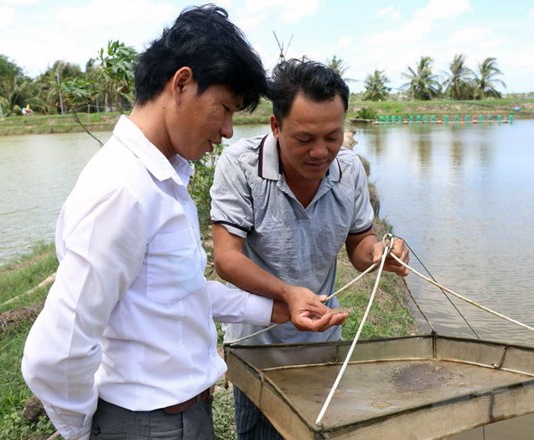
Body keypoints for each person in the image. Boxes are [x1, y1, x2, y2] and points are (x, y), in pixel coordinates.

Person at [21, 6, 340, 440]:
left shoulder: (163, 181)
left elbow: (180, 293)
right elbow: (55, 354)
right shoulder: (122, 190)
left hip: (181, 417)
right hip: (147, 424)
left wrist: (281, 305)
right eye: (225, 109)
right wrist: (85, 432)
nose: (228, 131)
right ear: (182, 83)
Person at [210, 58, 410, 439]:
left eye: (332, 137)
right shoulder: (240, 167)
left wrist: (379, 253)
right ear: (275, 126)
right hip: (257, 352)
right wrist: (286, 293)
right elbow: (226, 257)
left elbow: (359, 242)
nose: (321, 152)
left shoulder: (349, 170)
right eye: (304, 139)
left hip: (322, 345)